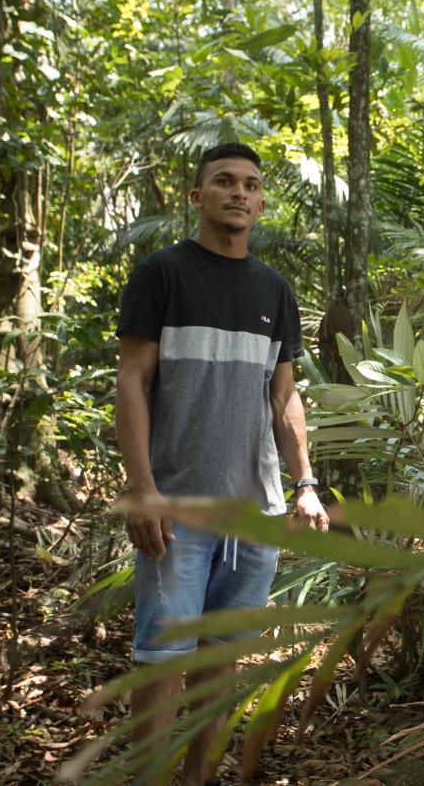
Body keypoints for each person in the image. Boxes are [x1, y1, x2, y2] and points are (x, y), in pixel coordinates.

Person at [115, 141, 329, 785]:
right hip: (176, 508)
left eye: (251, 184)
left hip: (254, 512)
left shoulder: (274, 290)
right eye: (224, 181)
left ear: (261, 202)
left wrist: (306, 484)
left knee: (222, 665)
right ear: (197, 196)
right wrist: (143, 489)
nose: (240, 192)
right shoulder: (163, 274)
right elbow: (131, 380)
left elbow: (283, 394)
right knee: (161, 663)